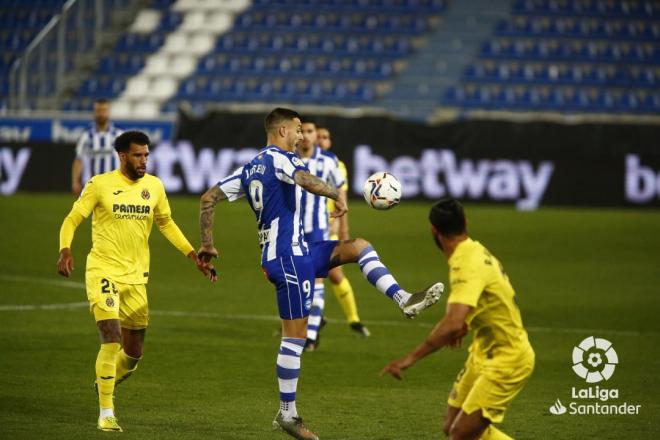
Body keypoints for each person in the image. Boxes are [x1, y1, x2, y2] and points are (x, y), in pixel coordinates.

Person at [197, 107, 443, 440]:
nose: (301, 136)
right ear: (282, 131)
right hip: (288, 260)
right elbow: (305, 179)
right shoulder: (280, 158)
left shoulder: (250, 167)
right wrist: (336, 194)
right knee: (294, 340)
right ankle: (287, 414)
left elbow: (208, 198)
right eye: (298, 130)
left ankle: (404, 299)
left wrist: (207, 244)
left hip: (299, 253)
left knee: (358, 246)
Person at [57, 130, 216, 432]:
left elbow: (165, 223)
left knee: (132, 355)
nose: (144, 160)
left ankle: (105, 380)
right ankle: (106, 412)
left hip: (136, 278)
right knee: (111, 339)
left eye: (146, 155)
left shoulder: (154, 186)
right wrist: (65, 249)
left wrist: (192, 255)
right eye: (137, 155)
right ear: (122, 156)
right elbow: (72, 218)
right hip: (103, 271)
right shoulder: (100, 185)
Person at [380, 198, 535, 440]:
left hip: (508, 359)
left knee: (460, 435)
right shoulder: (473, 250)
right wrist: (465, 324)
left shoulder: (467, 262)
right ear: (465, 222)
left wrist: (408, 360)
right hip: (483, 351)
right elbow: (488, 302)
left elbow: (452, 323)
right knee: (452, 426)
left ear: (434, 230)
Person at [317, 125, 370, 339]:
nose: (321, 140)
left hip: (328, 228)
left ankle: (350, 319)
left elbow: (342, 200)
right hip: (304, 229)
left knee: (333, 275)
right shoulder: (300, 163)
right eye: (317, 135)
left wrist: (343, 231)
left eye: (325, 137)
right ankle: (316, 322)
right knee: (314, 277)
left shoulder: (336, 166)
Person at [72, 98, 123, 197]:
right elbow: (79, 159)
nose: (101, 114)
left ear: (108, 113)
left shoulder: (119, 134)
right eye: (98, 111)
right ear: (94, 113)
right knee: (90, 212)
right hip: (93, 185)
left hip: (115, 185)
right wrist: (75, 181)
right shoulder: (86, 135)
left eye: (104, 111)